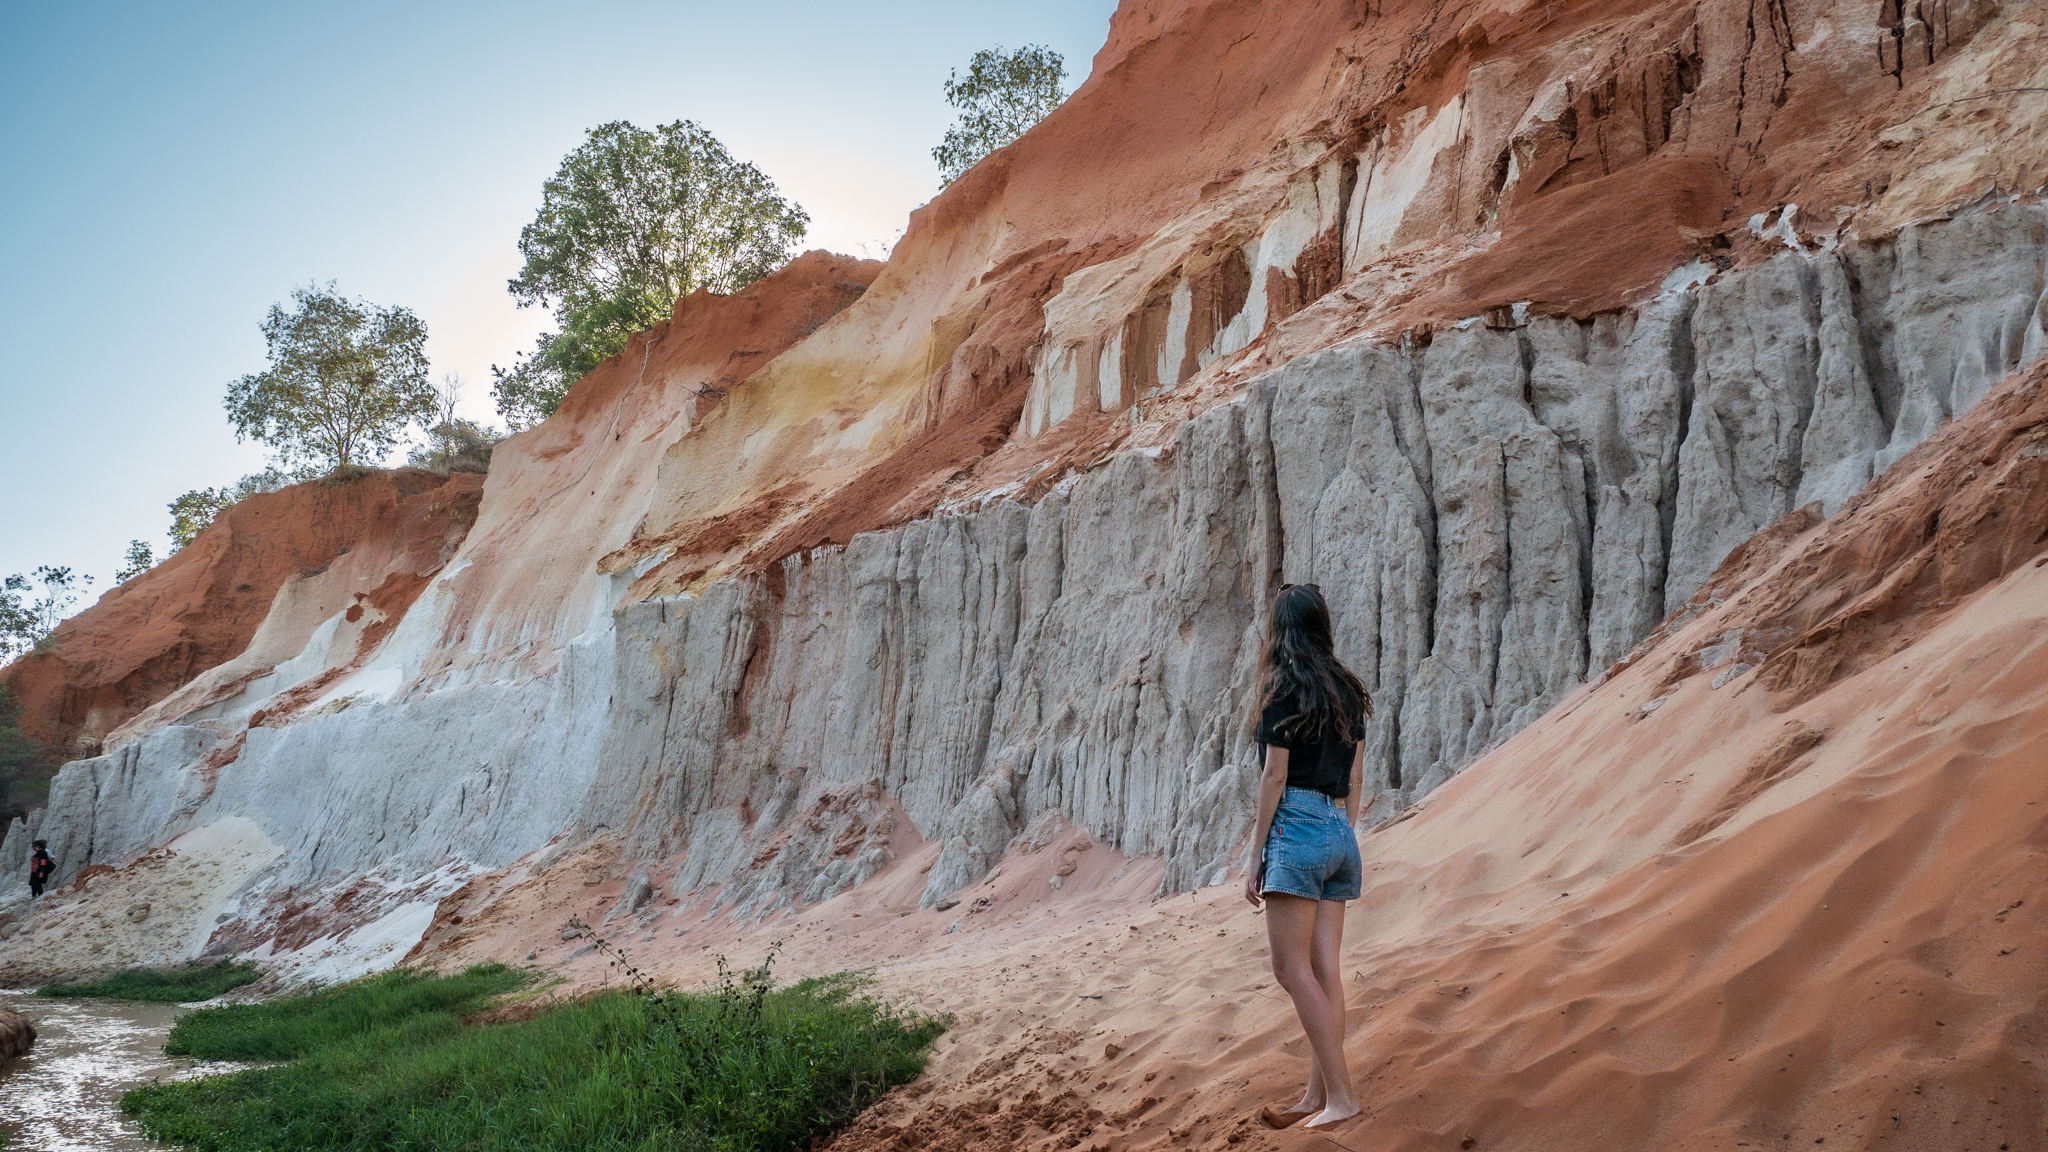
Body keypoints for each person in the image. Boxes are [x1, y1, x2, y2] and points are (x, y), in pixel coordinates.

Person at [1242, 583, 1377, 1130]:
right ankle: (1317, 1095)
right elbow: (1356, 776)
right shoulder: (1347, 687)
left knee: (1290, 969)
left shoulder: (1283, 686)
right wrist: (1338, 833)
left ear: (1281, 629)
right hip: (1339, 827)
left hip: (1296, 826)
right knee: (1325, 969)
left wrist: (1257, 854)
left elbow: (1274, 775)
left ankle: (1342, 1098)